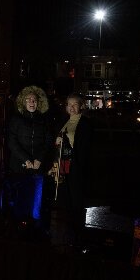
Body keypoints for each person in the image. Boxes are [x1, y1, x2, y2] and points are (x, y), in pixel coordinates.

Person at [48, 93, 94, 246]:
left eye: (75, 104)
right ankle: (67, 231)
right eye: (69, 104)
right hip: (63, 163)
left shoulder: (86, 123)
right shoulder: (63, 121)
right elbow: (55, 143)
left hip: (76, 165)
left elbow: (85, 148)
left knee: (76, 199)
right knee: (65, 197)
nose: (72, 107)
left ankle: (77, 234)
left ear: (81, 106)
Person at [7, 85, 53, 175]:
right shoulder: (16, 119)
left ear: (38, 103)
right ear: (23, 102)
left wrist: (40, 159)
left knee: (37, 188)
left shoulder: (44, 120)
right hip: (18, 165)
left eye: (34, 100)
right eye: (28, 99)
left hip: (38, 166)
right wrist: (26, 159)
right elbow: (11, 141)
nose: (32, 102)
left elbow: (48, 141)